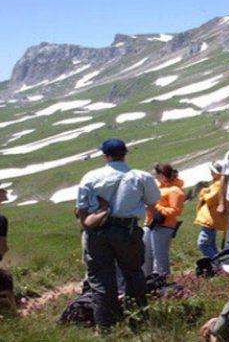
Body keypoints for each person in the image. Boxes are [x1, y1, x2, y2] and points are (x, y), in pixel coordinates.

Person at [76, 138, 161, 332]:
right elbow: (152, 201)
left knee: (100, 278)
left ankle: (106, 326)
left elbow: (81, 208)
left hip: (97, 231)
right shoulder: (141, 177)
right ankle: (137, 320)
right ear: (125, 154)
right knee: (133, 274)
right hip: (127, 230)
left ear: (105, 156)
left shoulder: (90, 177)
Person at [143, 163, 186, 276]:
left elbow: (175, 211)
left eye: (156, 174)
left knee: (159, 254)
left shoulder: (175, 190)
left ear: (162, 174)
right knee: (146, 253)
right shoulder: (159, 188)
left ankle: (162, 278)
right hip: (150, 223)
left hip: (164, 225)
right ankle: (147, 277)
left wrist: (155, 207)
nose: (155, 177)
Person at [194, 161, 228, 258]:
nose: (210, 173)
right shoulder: (220, 183)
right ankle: (218, 264)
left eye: (212, 171)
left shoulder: (218, 184)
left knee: (203, 244)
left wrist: (203, 193)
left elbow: (210, 199)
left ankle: (217, 264)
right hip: (212, 218)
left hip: (211, 218)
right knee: (211, 244)